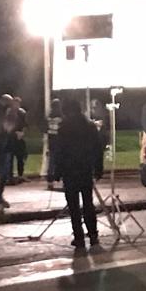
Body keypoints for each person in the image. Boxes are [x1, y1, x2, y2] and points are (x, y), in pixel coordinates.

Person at [55, 100, 104, 249]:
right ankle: (93, 235)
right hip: (85, 169)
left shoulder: (64, 127)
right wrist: (98, 168)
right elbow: (98, 148)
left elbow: (60, 151)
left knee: (74, 207)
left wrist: (57, 171)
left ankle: (79, 237)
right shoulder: (90, 126)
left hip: (70, 170)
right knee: (88, 203)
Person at [8, 97, 28, 183]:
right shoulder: (9, 112)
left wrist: (22, 133)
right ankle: (10, 176)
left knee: (21, 157)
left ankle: (20, 175)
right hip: (11, 138)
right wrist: (13, 132)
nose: (16, 105)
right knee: (10, 157)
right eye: (15, 103)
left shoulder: (22, 112)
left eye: (18, 104)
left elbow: (25, 124)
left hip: (19, 137)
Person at [46, 99, 64, 190]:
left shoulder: (49, 117)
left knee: (51, 162)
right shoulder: (61, 117)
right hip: (60, 141)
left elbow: (46, 129)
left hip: (51, 141)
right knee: (62, 161)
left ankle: (50, 182)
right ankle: (63, 180)